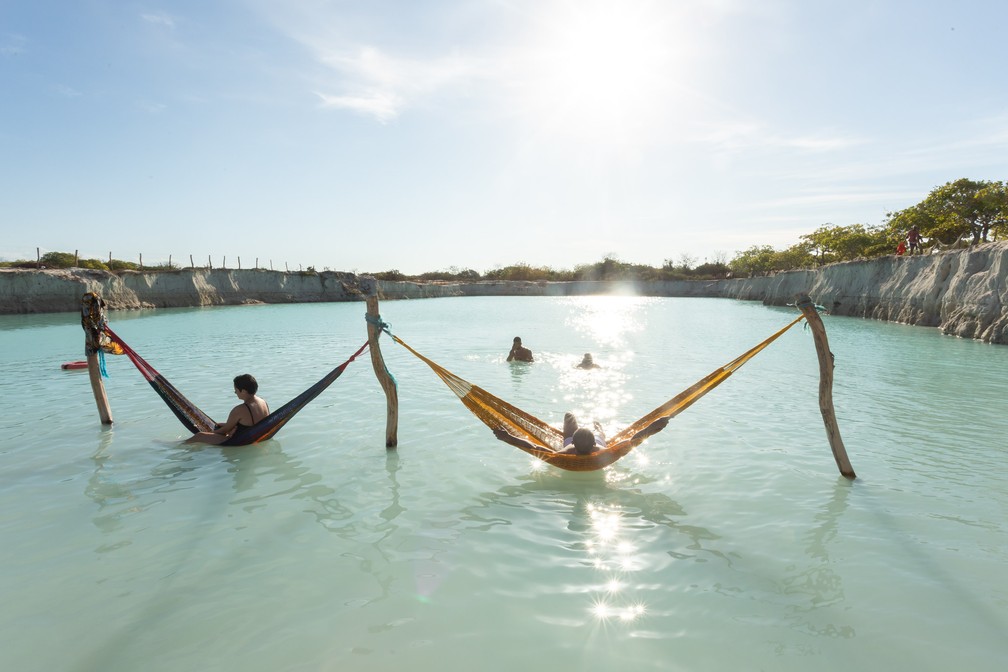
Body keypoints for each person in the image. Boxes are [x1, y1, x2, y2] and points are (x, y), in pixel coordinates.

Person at [492, 412, 670, 456]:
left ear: (574, 445)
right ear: (593, 444)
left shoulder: (568, 452)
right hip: (597, 438)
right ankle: (598, 427)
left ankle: (594, 427)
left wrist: (508, 437)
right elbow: (634, 440)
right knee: (601, 433)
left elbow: (536, 448)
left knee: (569, 416)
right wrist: (656, 425)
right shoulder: (603, 452)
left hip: (579, 439)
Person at [186, 373, 270, 445]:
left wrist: (208, 433)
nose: (235, 393)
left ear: (243, 391)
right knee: (219, 425)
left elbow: (224, 431)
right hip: (256, 436)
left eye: (236, 390)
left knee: (199, 436)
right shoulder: (263, 402)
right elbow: (250, 423)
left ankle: (179, 446)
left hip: (239, 442)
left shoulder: (239, 410)